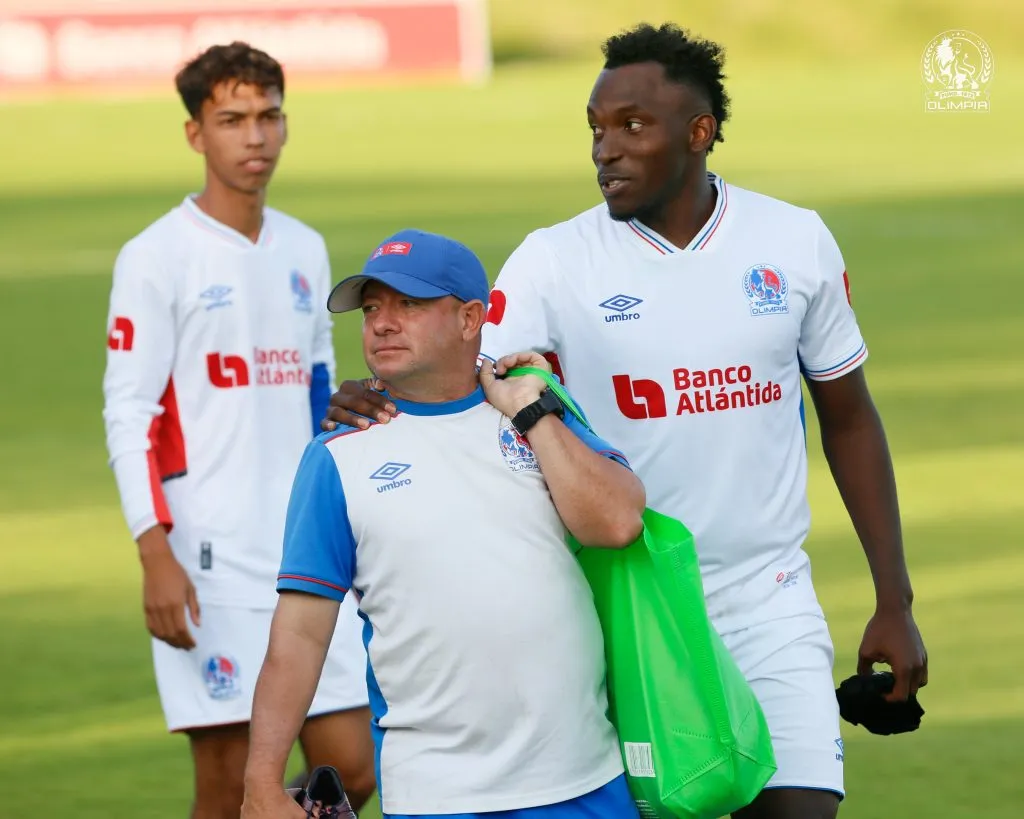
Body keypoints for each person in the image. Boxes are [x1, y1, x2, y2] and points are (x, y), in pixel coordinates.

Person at [323, 23, 929, 819]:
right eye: (596, 130)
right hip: (626, 612)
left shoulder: (794, 242)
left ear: (699, 132)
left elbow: (849, 419)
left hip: (768, 599)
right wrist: (376, 398)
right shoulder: (553, 261)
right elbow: (466, 388)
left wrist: (895, 598)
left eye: (632, 127)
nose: (606, 148)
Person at [241, 229, 646, 819]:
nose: (382, 322)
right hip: (437, 795)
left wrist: (532, 410)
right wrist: (261, 782)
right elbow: (299, 635)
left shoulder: (532, 413)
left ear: (469, 319)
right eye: (372, 307)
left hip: (584, 781)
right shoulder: (335, 457)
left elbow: (617, 522)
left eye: (408, 304)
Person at [101, 41, 375, 819]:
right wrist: (154, 549)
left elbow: (318, 390)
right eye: (232, 120)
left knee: (351, 768)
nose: (255, 136)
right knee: (225, 789)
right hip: (207, 558)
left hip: (304, 548)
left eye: (268, 117)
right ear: (196, 134)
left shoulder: (304, 247)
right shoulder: (155, 257)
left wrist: (350, 408)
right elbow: (129, 411)